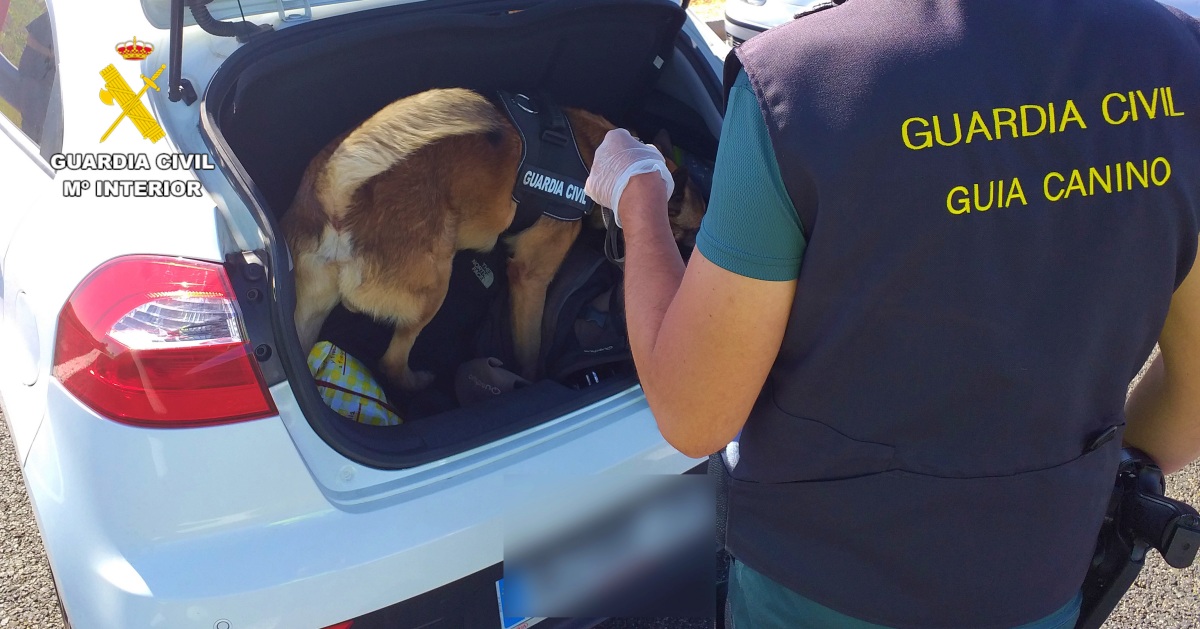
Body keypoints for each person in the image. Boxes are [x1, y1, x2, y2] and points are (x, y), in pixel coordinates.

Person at [583, 1, 1200, 627]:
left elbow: (694, 415)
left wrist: (639, 197)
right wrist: (1076, 484)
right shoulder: (1179, 59)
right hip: (1038, 587)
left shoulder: (802, 81)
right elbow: (1194, 391)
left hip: (816, 593)